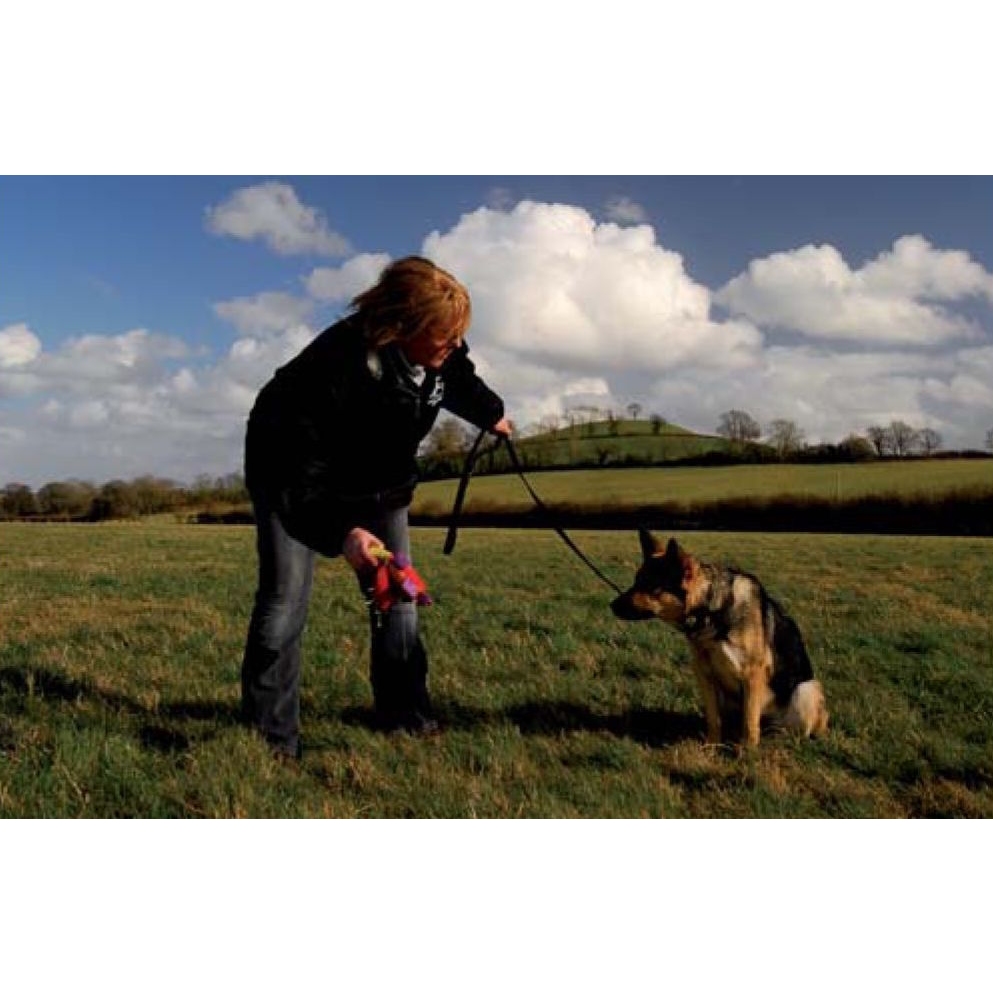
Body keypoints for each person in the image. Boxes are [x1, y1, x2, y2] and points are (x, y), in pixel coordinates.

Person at [241, 256, 510, 756]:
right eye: (445, 336)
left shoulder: (441, 347)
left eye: (459, 336)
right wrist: (344, 532)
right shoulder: (330, 370)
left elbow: (458, 376)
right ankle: (271, 740)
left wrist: (491, 414)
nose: (455, 345)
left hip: (382, 480)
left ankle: (405, 717)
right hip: (291, 478)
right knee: (283, 605)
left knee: (399, 596)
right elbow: (297, 476)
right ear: (400, 327)